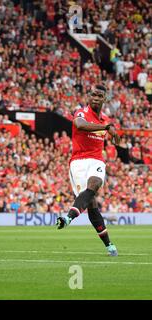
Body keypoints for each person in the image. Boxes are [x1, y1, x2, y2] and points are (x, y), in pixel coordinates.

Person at [56, 84, 120, 256]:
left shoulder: (106, 119)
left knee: (96, 183)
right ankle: (109, 245)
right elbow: (80, 125)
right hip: (78, 162)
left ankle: (68, 217)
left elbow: (116, 140)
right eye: (93, 95)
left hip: (96, 160)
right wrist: (106, 128)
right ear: (89, 97)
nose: (95, 98)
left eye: (99, 96)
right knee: (91, 205)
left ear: (104, 99)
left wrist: (115, 135)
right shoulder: (82, 113)